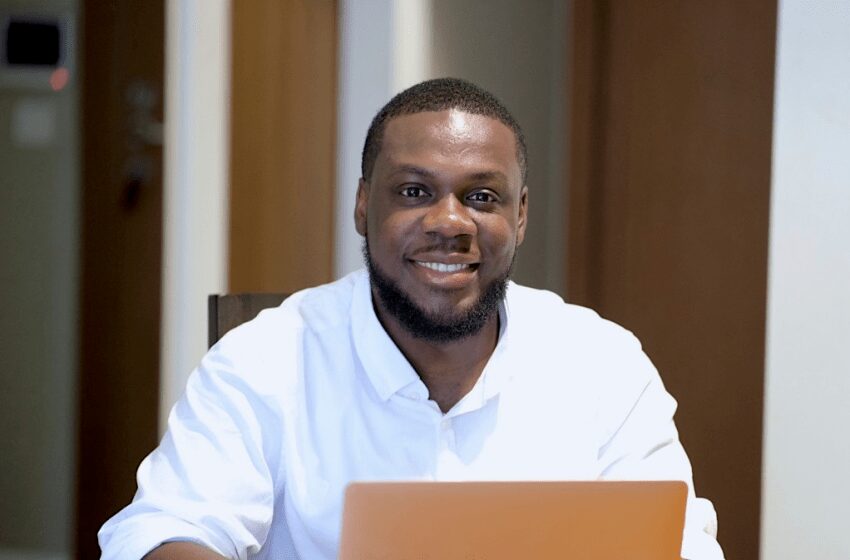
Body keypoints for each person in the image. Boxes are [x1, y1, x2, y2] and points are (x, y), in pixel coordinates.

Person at [99, 78, 724, 560]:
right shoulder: (264, 359)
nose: (449, 222)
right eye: (414, 191)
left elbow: (679, 545)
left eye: (482, 197)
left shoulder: (603, 363)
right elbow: (168, 529)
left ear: (521, 216)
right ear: (362, 204)